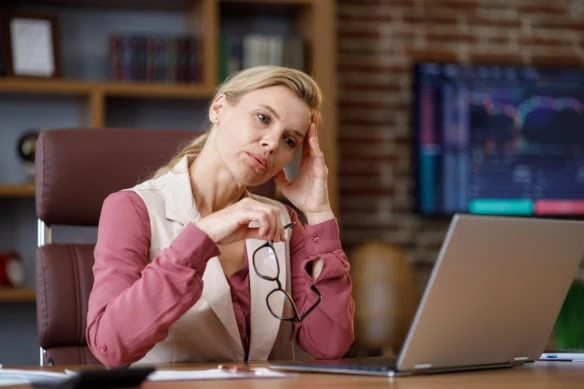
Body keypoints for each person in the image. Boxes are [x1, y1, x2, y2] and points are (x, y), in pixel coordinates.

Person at [86, 65, 355, 367]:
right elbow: (108, 345)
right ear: (219, 108)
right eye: (263, 118)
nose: (271, 144)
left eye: (289, 140)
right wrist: (201, 239)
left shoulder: (282, 219)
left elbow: (329, 344)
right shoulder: (133, 208)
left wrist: (318, 212)